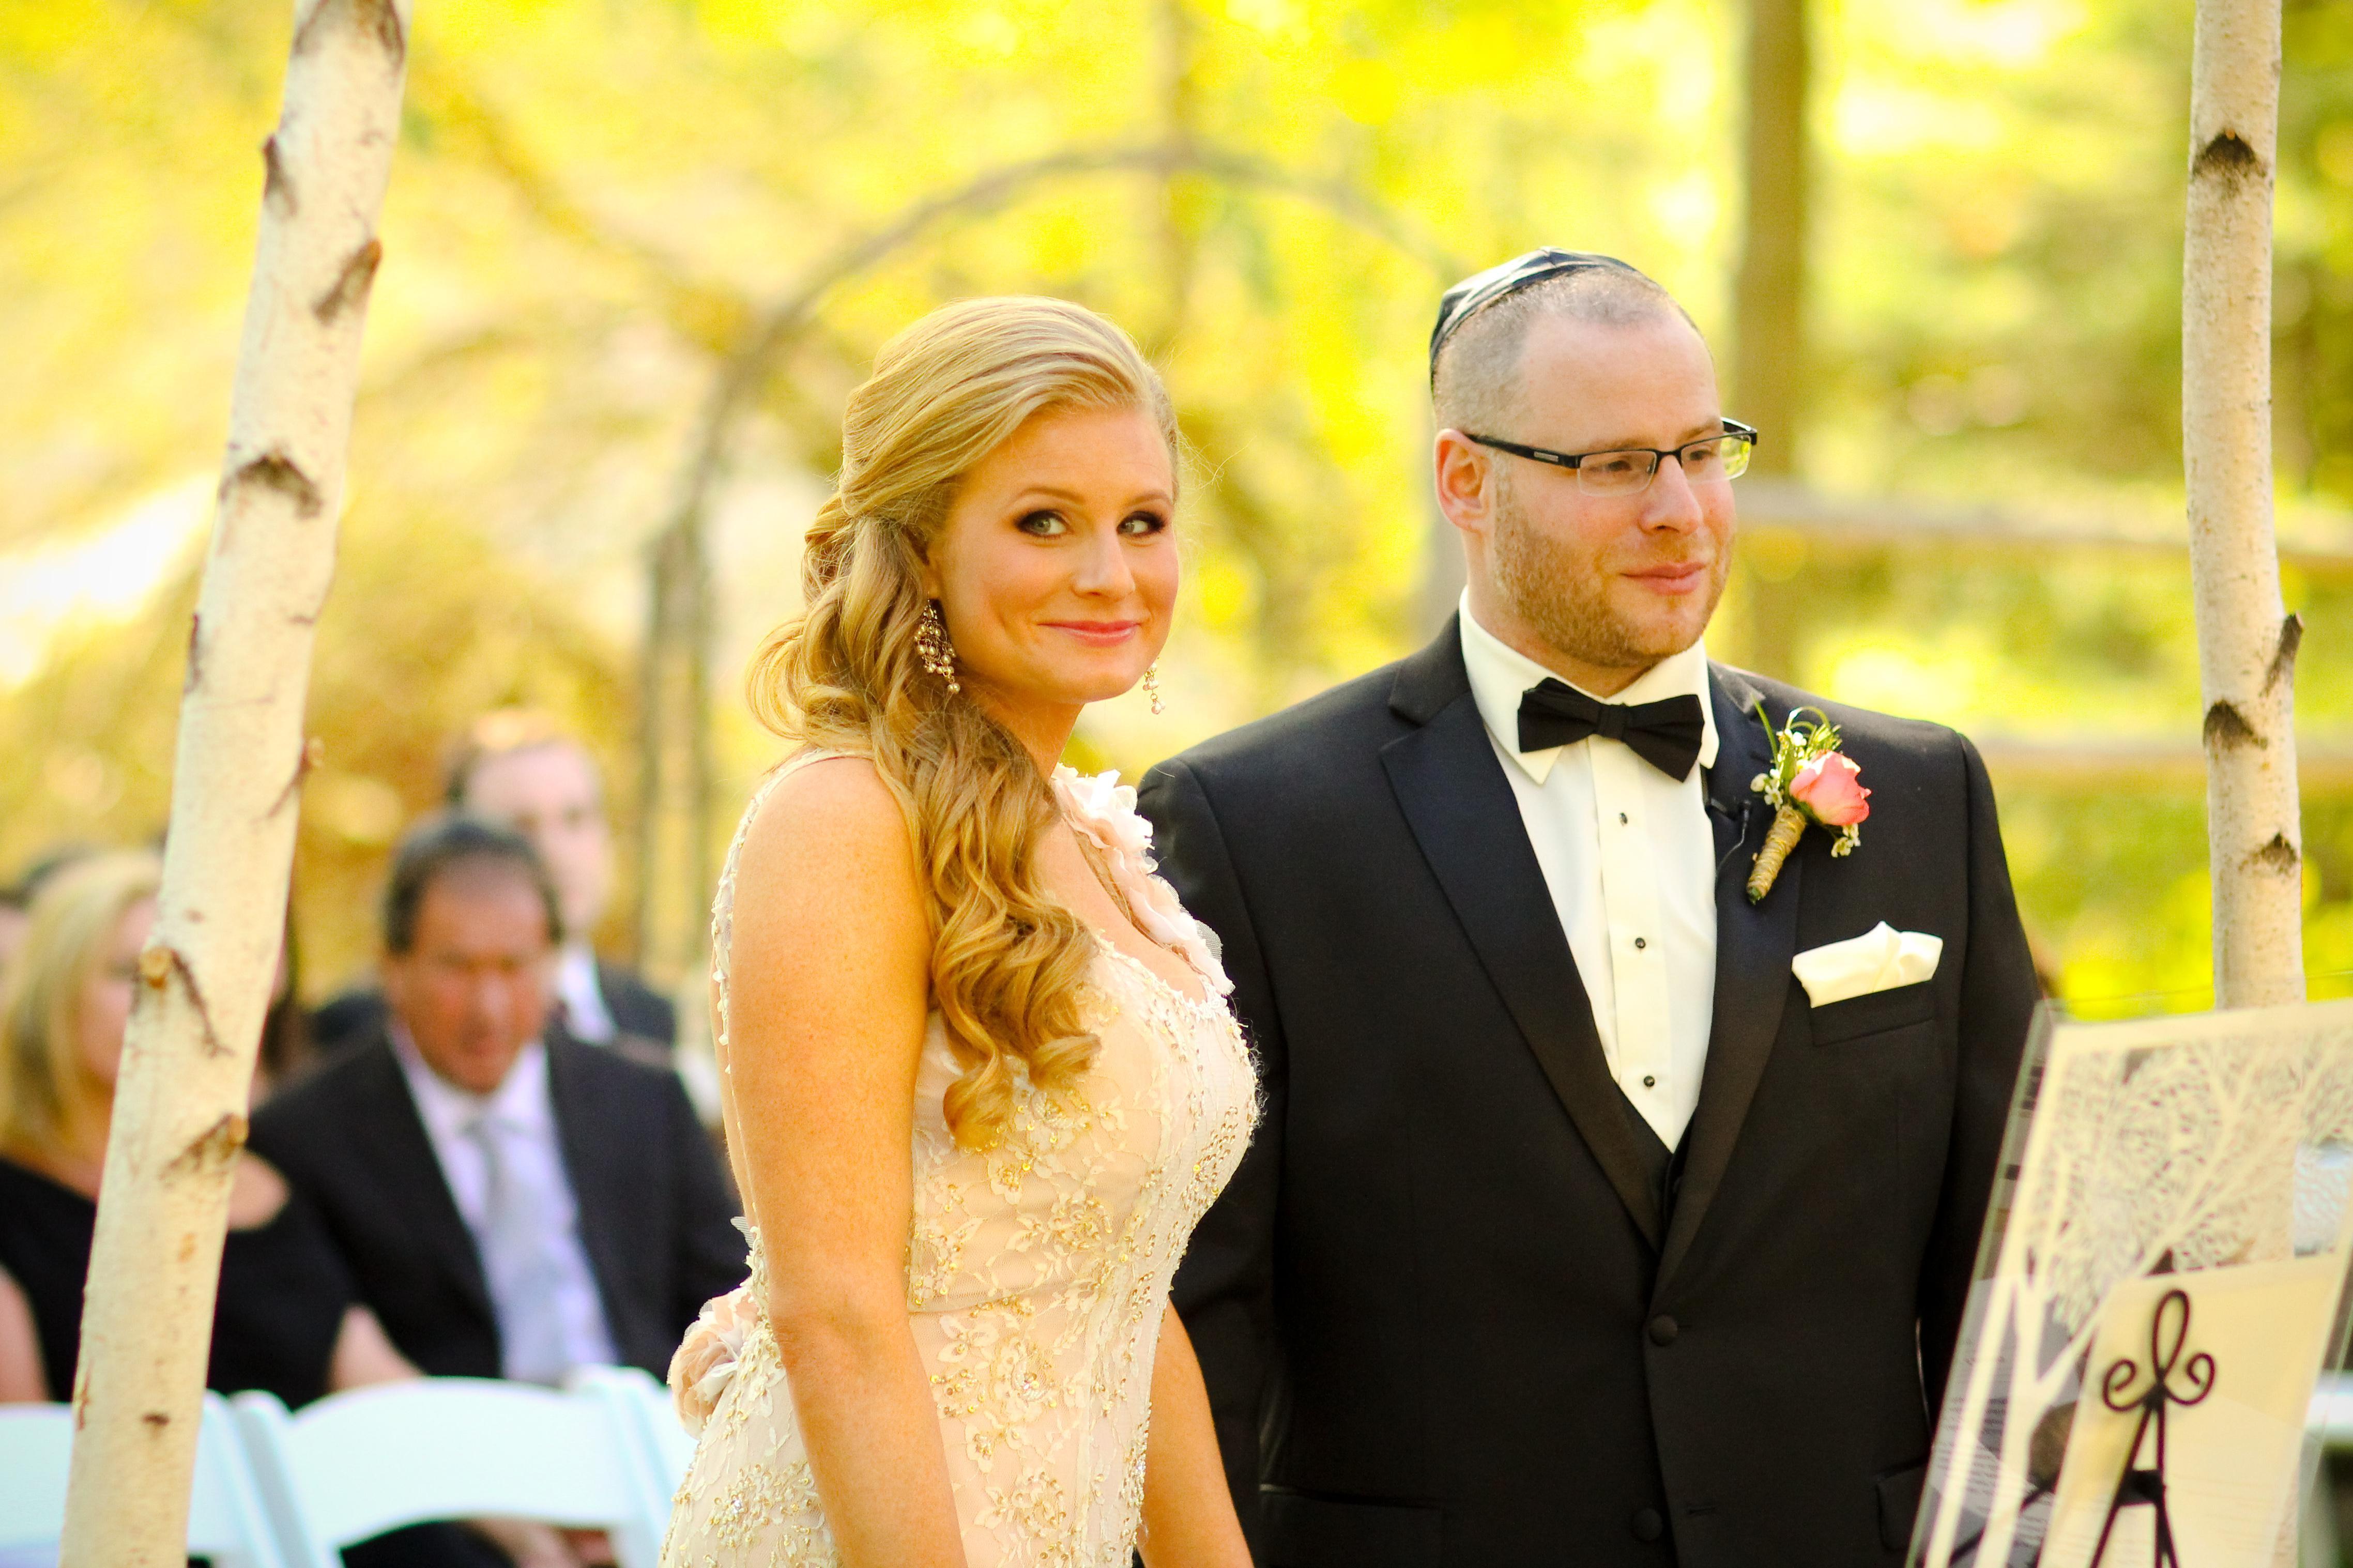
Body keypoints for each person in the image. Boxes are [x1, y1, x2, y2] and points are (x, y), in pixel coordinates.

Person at [1139, 250, 2041, 1567]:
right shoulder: (1251, 824)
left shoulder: (1922, 797)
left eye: (1702, 451)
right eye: (1614, 465)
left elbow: (2006, 1275)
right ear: (1464, 480)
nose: (1680, 510)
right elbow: (1196, 1318)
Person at [657, 297, 1256, 1568]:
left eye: (1142, 522)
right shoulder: (841, 820)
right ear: (923, 548)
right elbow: (835, 1314)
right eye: (1044, 521)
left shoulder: (1096, 841)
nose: (1111, 573)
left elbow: (1126, 1282)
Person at [250, 815, 741, 1389]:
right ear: (393, 968)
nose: (489, 1008)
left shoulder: (647, 1104)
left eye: (513, 967)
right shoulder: (305, 1138)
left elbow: (731, 1308)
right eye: (457, 969)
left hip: (643, 1424)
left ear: (553, 963)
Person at [0, 851, 414, 1409]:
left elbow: (391, 1397)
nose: (159, 999)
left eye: (181, 977)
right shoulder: (14, 1203)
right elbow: (22, 1442)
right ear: (53, 994)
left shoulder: (263, 1186)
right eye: (126, 972)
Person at [313, 717, 673, 1062]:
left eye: (575, 818)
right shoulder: (351, 1032)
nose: (555, 852)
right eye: (521, 827)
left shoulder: (658, 1021)